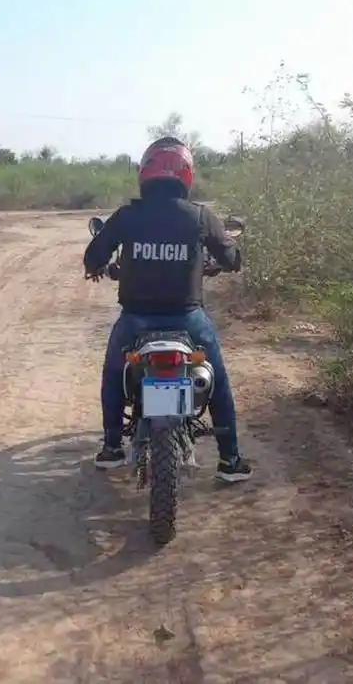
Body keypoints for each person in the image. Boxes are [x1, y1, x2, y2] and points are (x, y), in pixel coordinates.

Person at [83, 137, 252, 483]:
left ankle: (113, 446)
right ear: (186, 175)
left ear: (145, 173)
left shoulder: (128, 216)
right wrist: (229, 254)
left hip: (136, 320)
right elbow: (231, 258)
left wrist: (98, 266)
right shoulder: (200, 216)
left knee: (114, 372)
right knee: (217, 379)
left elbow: (93, 257)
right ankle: (230, 460)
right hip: (188, 321)